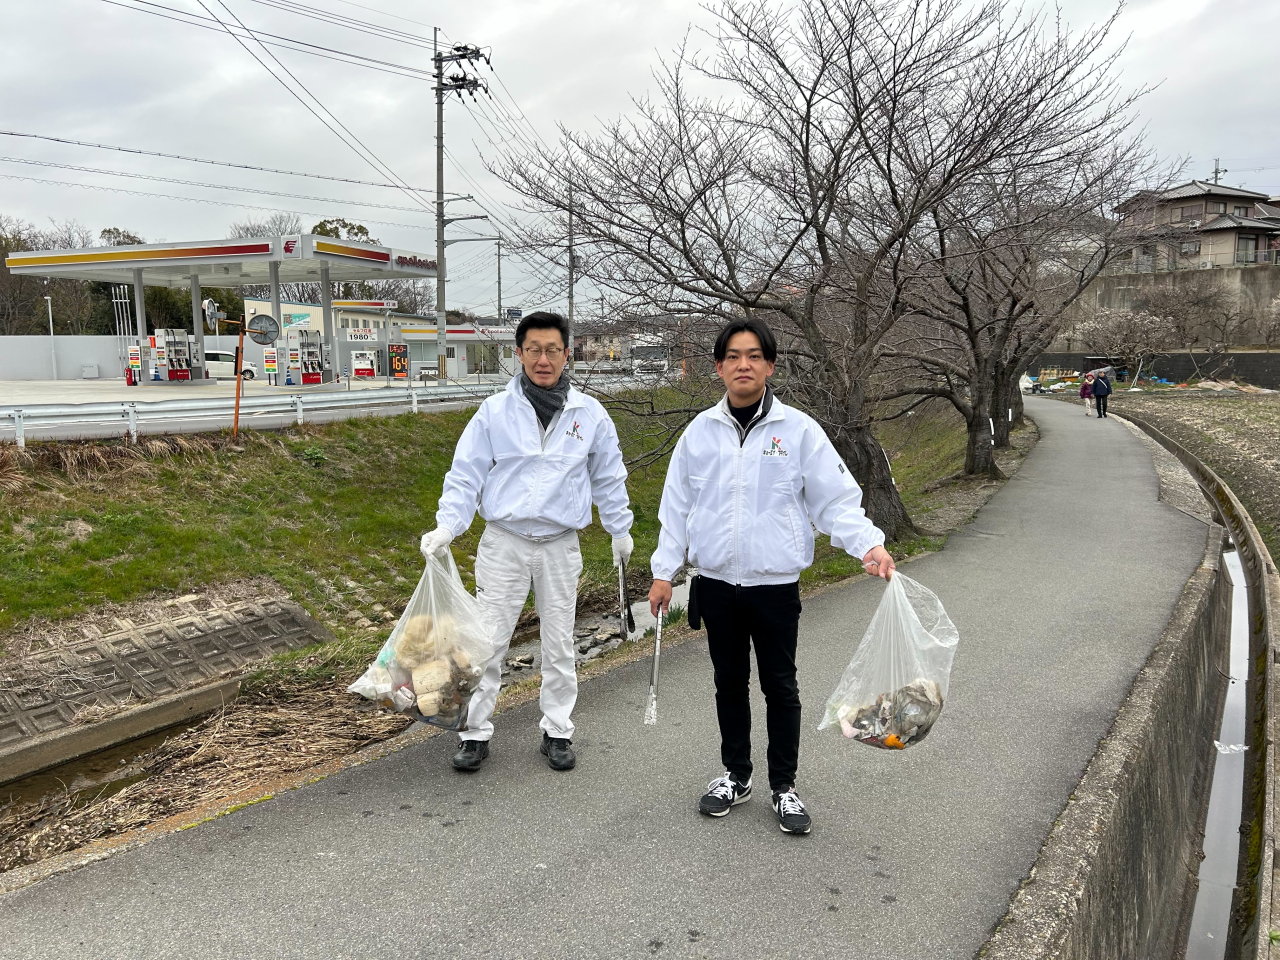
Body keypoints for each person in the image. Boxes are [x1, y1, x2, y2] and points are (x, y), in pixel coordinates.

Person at [647, 317, 895, 836]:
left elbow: (835, 500)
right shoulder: (699, 433)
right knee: (728, 684)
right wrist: (665, 572)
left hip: (774, 585)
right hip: (715, 583)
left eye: (754, 355)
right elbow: (676, 509)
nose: (744, 364)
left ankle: (785, 786)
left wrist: (868, 545)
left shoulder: (798, 430)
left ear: (770, 365)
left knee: (781, 687)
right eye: (733, 356)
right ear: (718, 367)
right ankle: (736, 777)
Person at [420, 311, 634, 773]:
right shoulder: (495, 412)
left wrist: (620, 529)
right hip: (505, 541)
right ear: (517, 354)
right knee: (490, 642)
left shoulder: (589, 414)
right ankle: (475, 733)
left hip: (560, 543)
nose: (543, 358)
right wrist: (447, 526)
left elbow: (609, 478)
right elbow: (465, 476)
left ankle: (557, 730)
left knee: (559, 642)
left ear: (566, 353)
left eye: (552, 349)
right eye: (533, 349)